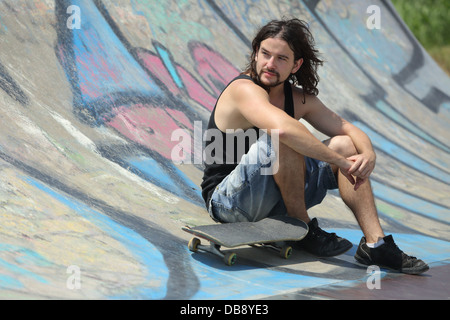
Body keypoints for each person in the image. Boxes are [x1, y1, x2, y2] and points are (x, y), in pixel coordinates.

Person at [201, 18, 428, 274]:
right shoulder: (243, 89)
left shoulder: (298, 98)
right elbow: (284, 130)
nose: (270, 64)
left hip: (274, 198)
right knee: (284, 136)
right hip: (229, 203)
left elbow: (346, 127)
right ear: (255, 53)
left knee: (345, 145)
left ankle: (376, 244)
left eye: (281, 59)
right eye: (265, 54)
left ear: (296, 65)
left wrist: (368, 154)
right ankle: (302, 226)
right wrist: (341, 164)